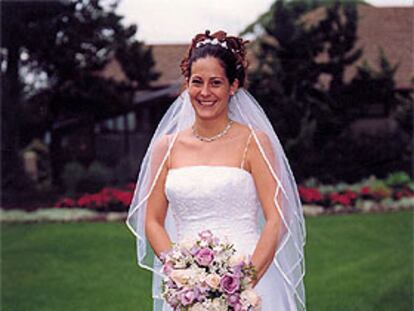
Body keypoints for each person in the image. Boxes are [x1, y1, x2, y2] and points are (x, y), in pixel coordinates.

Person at [126, 30, 306, 311]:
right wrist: (182, 274)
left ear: (233, 86)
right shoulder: (166, 147)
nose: (205, 92)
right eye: (197, 82)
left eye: (216, 83)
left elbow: (277, 219)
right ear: (187, 85)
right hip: (189, 292)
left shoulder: (253, 142)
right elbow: (152, 221)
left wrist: (241, 285)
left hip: (251, 284)